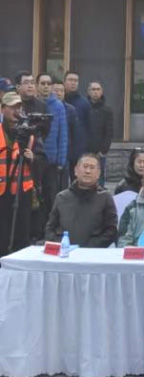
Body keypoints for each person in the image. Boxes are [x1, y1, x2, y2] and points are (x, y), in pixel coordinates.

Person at [44, 153, 117, 247]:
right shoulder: (62, 197)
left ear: (98, 173)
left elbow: (111, 230)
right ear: (76, 170)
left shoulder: (105, 198)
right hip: (64, 251)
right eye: (85, 166)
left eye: (92, 168)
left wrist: (91, 246)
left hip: (93, 252)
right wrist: (61, 244)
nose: (88, 171)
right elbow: (50, 228)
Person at [0, 90, 35, 255]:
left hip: (21, 191)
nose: (16, 111)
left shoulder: (29, 134)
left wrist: (32, 158)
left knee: (22, 234)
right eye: (12, 107)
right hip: (2, 192)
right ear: (2, 109)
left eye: (19, 107)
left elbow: (43, 160)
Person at [33, 73, 68, 224]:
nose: (46, 86)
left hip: (52, 159)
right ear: (37, 85)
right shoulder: (33, 104)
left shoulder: (58, 106)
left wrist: (61, 159)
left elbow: (63, 133)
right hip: (35, 158)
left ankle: (51, 226)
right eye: (43, 83)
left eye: (48, 84)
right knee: (35, 195)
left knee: (51, 195)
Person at [84, 81, 113, 186]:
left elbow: (109, 132)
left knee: (99, 178)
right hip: (84, 151)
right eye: (93, 89)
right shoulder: (84, 108)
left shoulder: (107, 111)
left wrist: (103, 151)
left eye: (98, 89)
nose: (95, 92)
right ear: (88, 92)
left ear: (101, 92)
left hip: (100, 153)